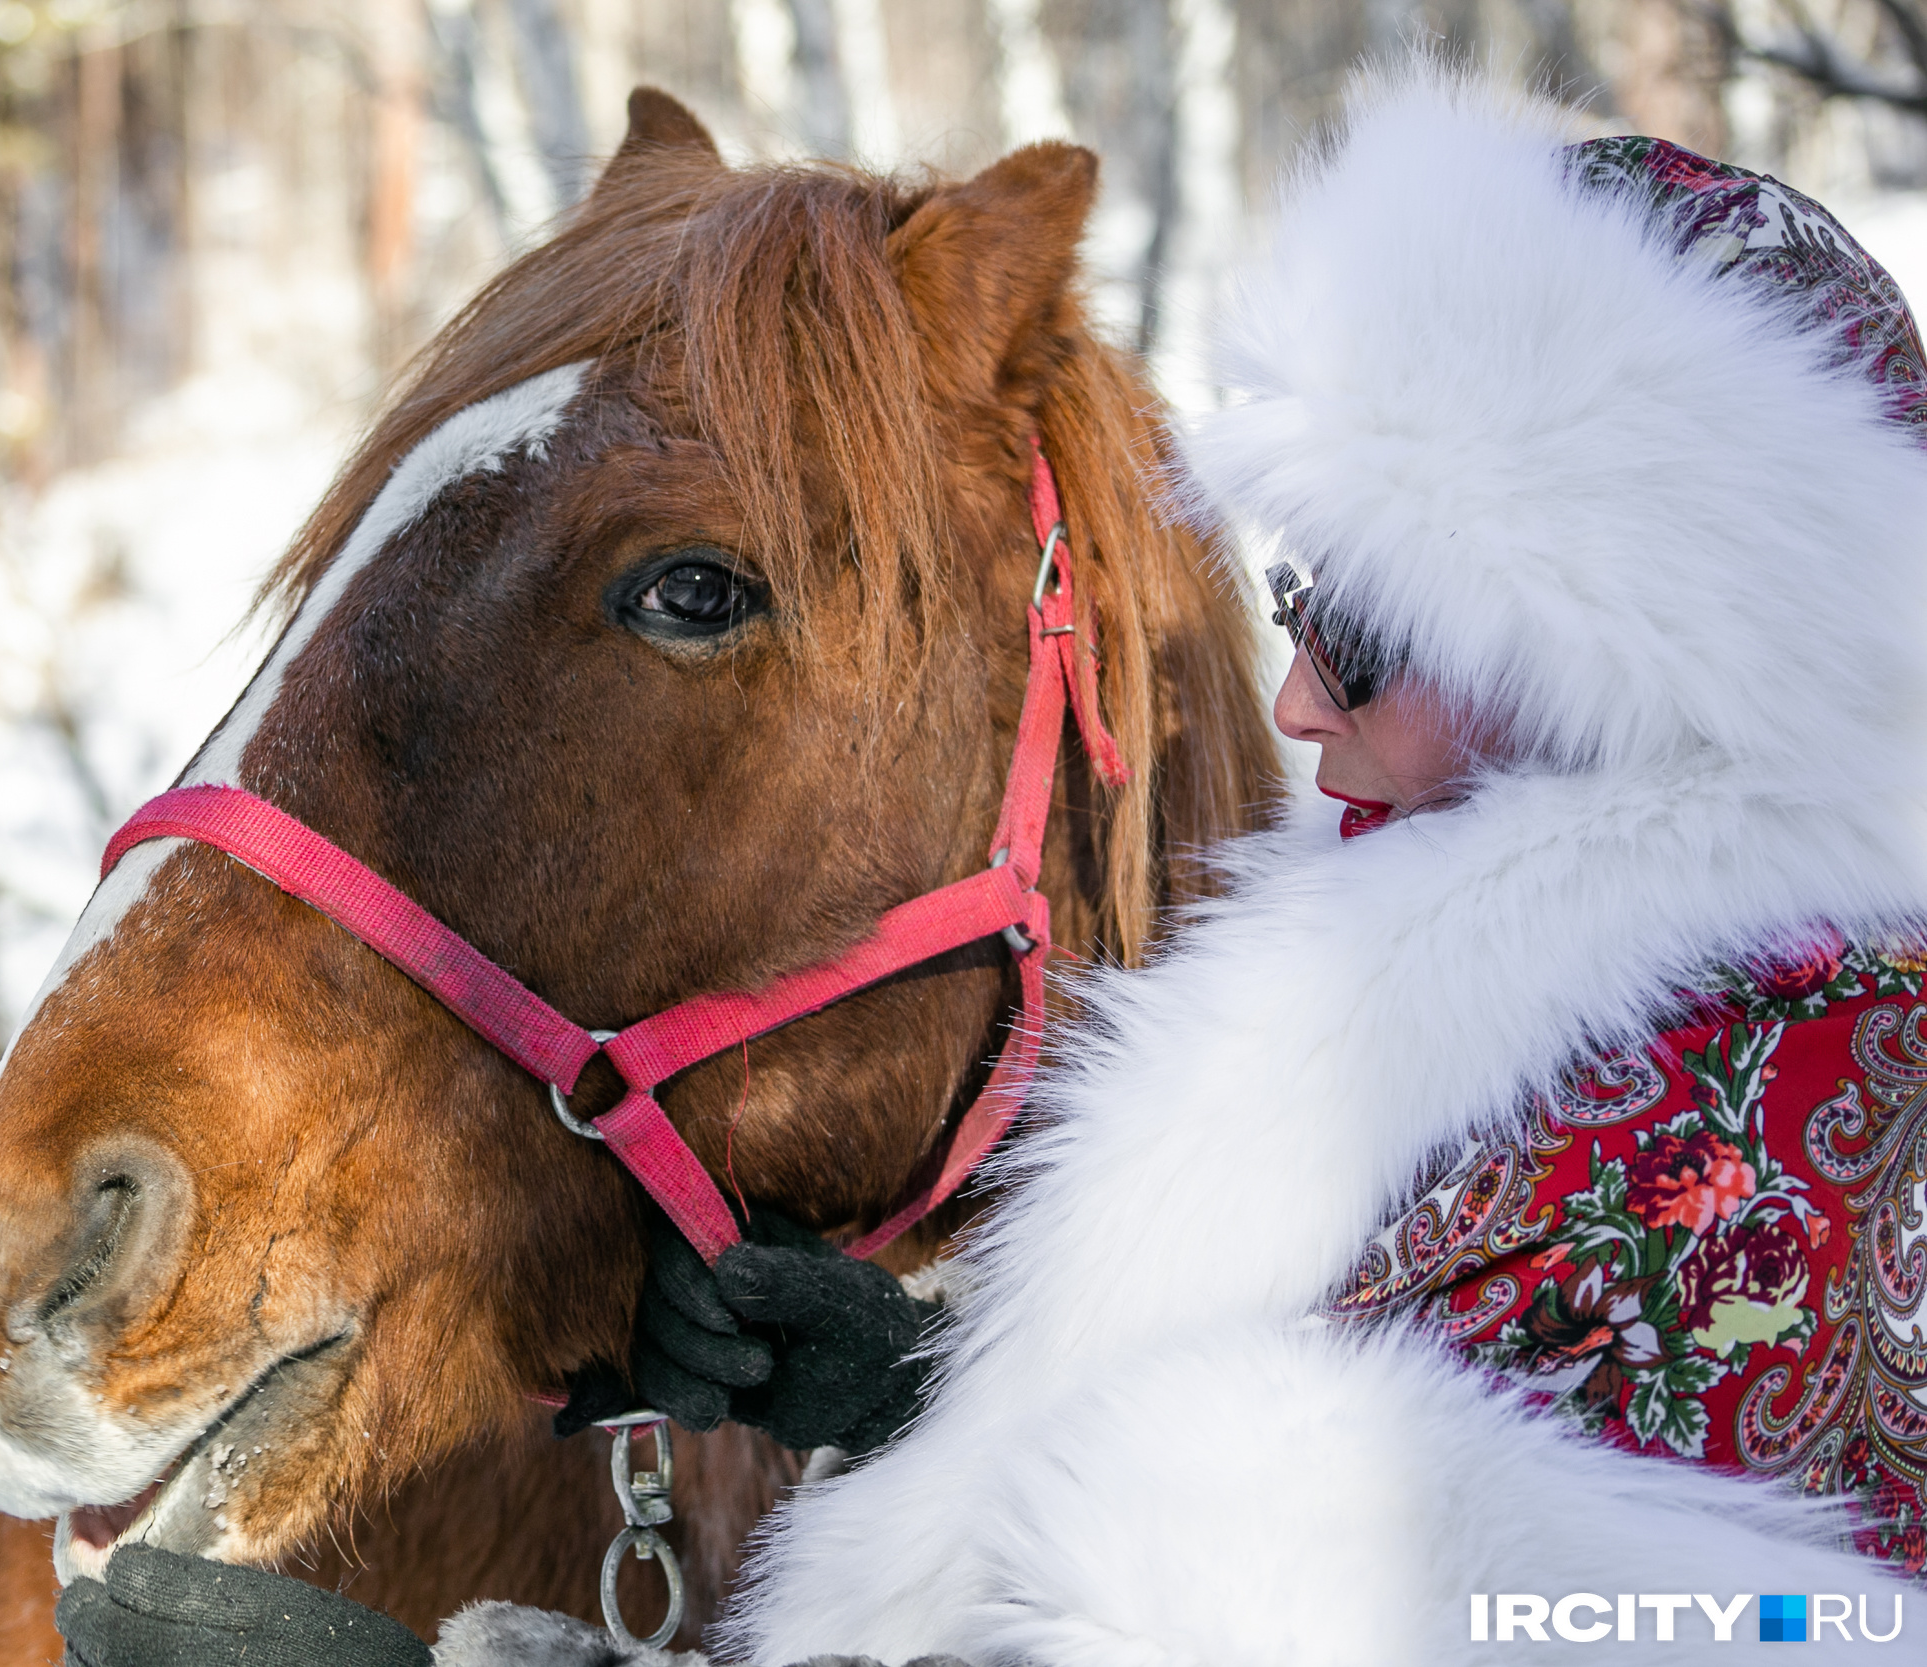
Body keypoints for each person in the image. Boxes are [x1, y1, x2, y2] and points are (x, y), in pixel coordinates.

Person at [705, 65, 1927, 1667]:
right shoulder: (1618, 1032)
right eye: (1303, 615)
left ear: (1611, 664)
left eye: (1359, 638)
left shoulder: (1787, 1110)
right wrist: (932, 1398)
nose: (1294, 703)